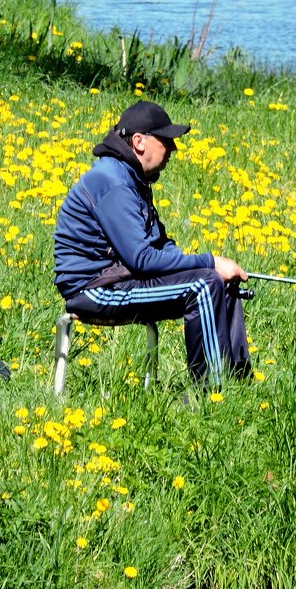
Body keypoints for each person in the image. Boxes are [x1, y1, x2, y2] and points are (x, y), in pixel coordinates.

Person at [54, 100, 251, 386]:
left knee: (220, 281)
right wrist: (208, 262)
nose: (173, 149)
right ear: (139, 141)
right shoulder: (113, 182)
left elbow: (157, 244)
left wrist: (208, 266)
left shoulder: (131, 176)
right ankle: (210, 394)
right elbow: (142, 259)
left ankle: (238, 384)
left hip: (119, 280)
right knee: (203, 285)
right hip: (94, 290)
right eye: (166, 140)